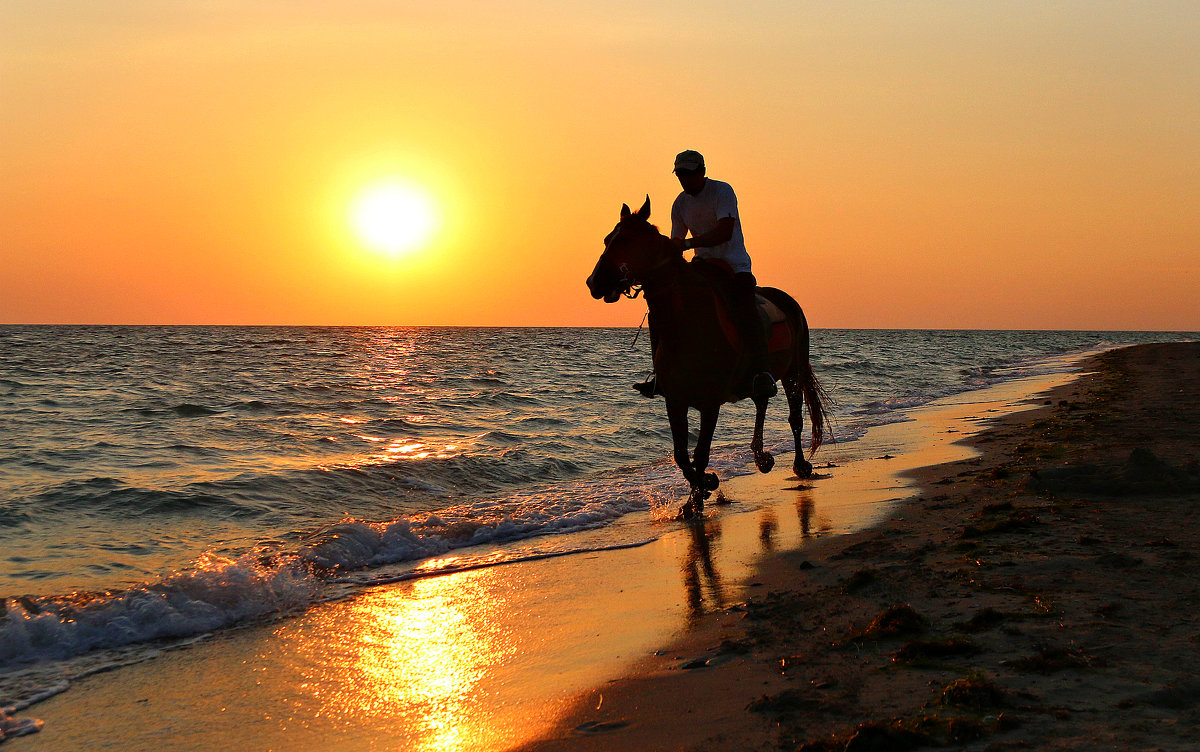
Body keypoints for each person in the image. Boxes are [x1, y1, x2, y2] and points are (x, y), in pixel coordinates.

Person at [634, 150, 776, 400]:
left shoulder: (722, 192)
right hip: (702, 266)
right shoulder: (679, 203)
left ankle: (761, 372)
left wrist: (687, 245)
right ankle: (661, 374)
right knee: (662, 309)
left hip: (734, 266)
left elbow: (724, 232)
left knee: (744, 308)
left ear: (702, 172)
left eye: (689, 173)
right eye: (680, 174)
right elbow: (676, 239)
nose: (685, 179)